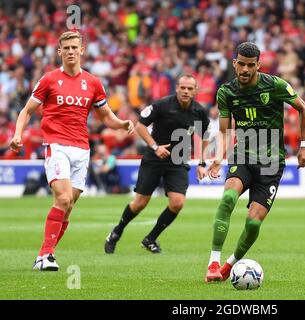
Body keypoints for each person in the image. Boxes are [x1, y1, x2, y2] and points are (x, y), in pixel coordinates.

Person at [9, 31, 134, 271]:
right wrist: (17, 134)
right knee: (63, 197)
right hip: (57, 146)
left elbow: (105, 115)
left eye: (74, 47)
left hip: (81, 149)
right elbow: (26, 111)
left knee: (69, 205)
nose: (70, 51)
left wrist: (121, 124)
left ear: (81, 50)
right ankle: (44, 255)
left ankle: (47, 255)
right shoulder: (49, 79)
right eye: (65, 48)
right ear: (59, 52)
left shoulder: (93, 83)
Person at [204, 42, 305, 282]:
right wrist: (218, 158)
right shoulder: (226, 92)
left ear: (258, 65)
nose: (244, 69)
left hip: (271, 163)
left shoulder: (274, 85)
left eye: (250, 65)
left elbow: (302, 108)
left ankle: (228, 266)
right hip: (242, 155)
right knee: (228, 198)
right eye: (240, 64)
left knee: (253, 224)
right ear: (234, 63)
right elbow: (224, 131)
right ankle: (213, 261)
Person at [104, 74, 210, 254]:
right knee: (140, 203)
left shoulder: (199, 111)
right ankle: (116, 232)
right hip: (154, 158)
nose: (185, 91)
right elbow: (140, 126)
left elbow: (205, 136)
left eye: (189, 88)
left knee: (177, 203)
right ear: (176, 88)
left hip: (178, 160)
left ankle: (150, 238)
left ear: (195, 91)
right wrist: (155, 146)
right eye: (182, 87)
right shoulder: (162, 105)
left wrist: (202, 163)